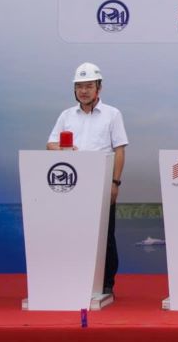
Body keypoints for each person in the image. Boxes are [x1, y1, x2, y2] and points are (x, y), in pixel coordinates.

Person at [47, 62, 128, 297]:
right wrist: (62, 151)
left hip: (101, 184)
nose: (84, 91)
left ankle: (106, 284)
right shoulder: (66, 115)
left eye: (89, 86)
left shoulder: (112, 114)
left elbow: (120, 150)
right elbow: (50, 143)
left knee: (105, 235)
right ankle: (76, 278)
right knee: (74, 233)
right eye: (79, 86)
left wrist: (115, 184)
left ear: (99, 88)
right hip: (71, 187)